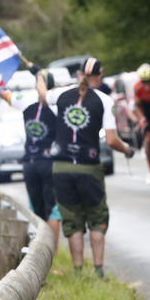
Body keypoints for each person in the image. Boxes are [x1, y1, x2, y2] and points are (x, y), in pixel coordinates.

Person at [39, 57, 133, 279]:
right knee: (96, 216)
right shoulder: (103, 100)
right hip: (88, 167)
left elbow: (43, 96)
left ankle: (78, 270)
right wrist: (127, 149)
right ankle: (99, 269)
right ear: (99, 77)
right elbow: (111, 140)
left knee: (72, 218)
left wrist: (39, 79)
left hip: (61, 167)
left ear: (80, 74)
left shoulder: (62, 94)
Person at [0, 68, 61, 250]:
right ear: (54, 86)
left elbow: (4, 95)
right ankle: (52, 254)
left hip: (30, 161)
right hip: (49, 161)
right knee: (53, 210)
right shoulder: (58, 106)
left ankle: (39, 250)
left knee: (36, 210)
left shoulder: (25, 101)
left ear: (37, 86)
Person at [132, 63, 150, 184]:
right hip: (146, 109)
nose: (147, 85)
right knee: (148, 140)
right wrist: (142, 118)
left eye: (149, 81)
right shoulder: (137, 87)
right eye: (144, 82)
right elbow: (137, 106)